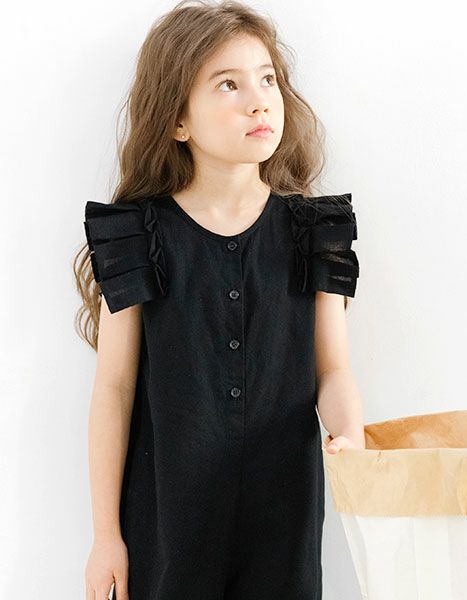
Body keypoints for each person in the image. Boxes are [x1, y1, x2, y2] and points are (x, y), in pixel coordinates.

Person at [73, 1, 365, 598]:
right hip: (169, 519)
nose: (259, 101)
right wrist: (106, 536)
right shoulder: (137, 235)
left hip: (284, 516)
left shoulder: (314, 232)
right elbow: (114, 389)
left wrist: (349, 435)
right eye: (228, 85)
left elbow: (332, 370)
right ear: (177, 121)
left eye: (267, 79)